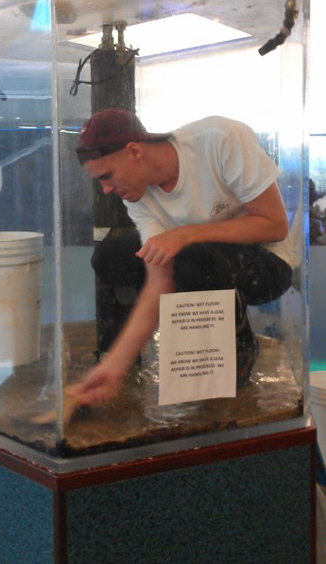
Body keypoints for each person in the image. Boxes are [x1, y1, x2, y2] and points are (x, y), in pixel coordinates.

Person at [71, 108, 293, 407]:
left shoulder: (220, 139)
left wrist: (185, 234)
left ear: (134, 151)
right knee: (111, 254)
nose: (106, 189)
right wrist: (115, 366)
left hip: (266, 265)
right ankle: (114, 355)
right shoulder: (138, 197)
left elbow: (275, 225)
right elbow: (158, 283)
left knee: (191, 256)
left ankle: (240, 345)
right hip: (198, 261)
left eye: (107, 176)